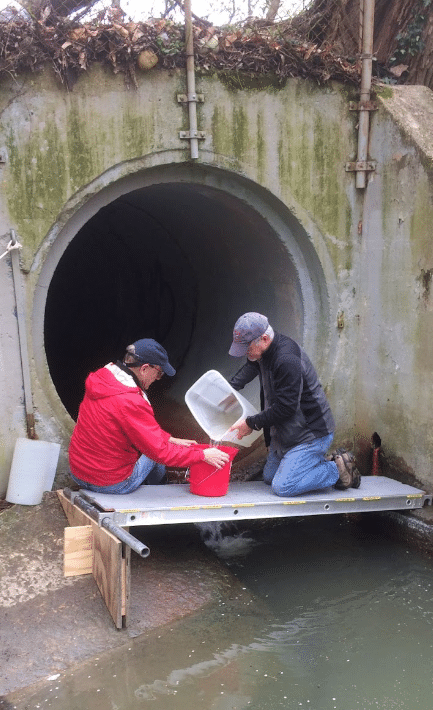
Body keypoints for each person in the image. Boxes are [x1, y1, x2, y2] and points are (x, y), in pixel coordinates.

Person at [69, 338, 230, 493]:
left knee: (152, 445)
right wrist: (202, 455)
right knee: (152, 456)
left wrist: (169, 439)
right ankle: (159, 489)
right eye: (158, 373)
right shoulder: (131, 401)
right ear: (145, 368)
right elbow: (159, 452)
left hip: (79, 473)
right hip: (110, 484)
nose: (157, 379)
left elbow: (136, 428)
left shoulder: (103, 379)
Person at [227, 312, 360, 497]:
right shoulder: (263, 352)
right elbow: (252, 366)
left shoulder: (286, 359)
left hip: (311, 434)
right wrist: (229, 389)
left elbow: (286, 408)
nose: (244, 353)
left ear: (264, 339)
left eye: (246, 347)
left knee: (283, 487)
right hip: (288, 433)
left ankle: (336, 470)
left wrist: (251, 423)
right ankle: (310, 463)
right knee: (269, 477)